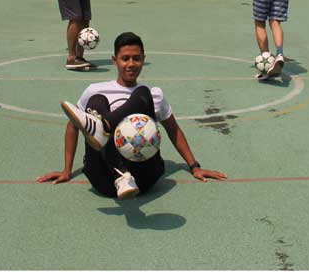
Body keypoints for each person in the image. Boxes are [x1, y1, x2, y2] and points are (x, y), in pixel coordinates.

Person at [37, 32, 227, 198]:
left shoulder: (154, 95)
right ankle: (120, 173)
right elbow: (73, 126)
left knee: (143, 92)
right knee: (97, 101)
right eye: (125, 58)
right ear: (114, 60)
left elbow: (173, 130)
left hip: (142, 178)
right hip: (104, 178)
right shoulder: (95, 89)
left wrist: (194, 166)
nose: (131, 64)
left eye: (136, 58)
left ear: (143, 59)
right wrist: (67, 171)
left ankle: (104, 126)